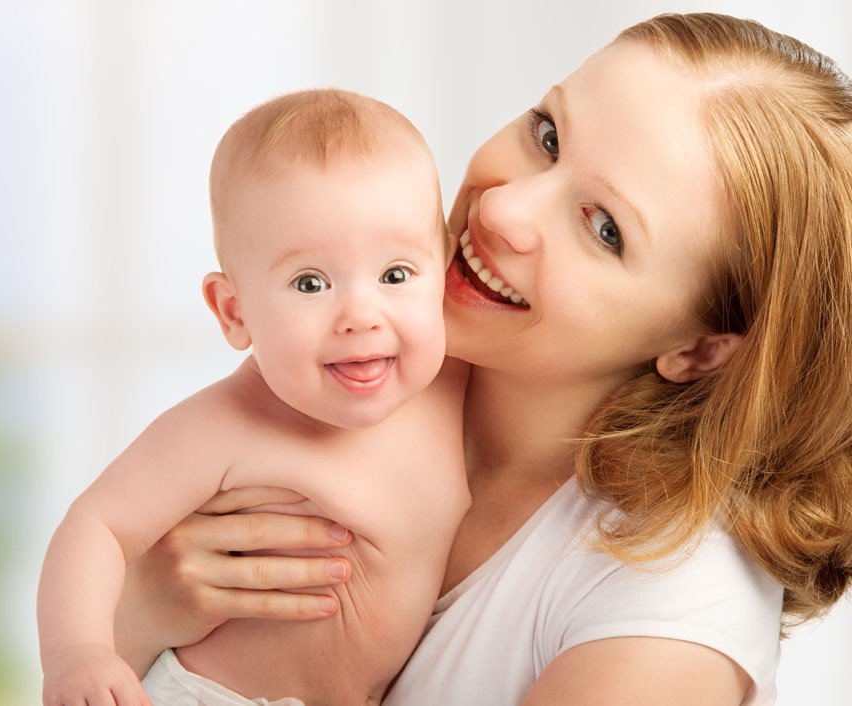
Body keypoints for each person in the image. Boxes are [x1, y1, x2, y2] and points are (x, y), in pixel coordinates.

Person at [113, 13, 852, 706]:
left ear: (698, 349)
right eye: (548, 135)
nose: (501, 210)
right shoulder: (362, 354)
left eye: (603, 229)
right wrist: (138, 612)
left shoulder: (668, 620)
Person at [37, 88, 472, 706]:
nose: (361, 315)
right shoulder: (224, 425)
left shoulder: (456, 384)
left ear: (445, 268)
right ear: (234, 311)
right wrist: (78, 653)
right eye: (310, 282)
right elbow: (96, 527)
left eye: (396, 275)